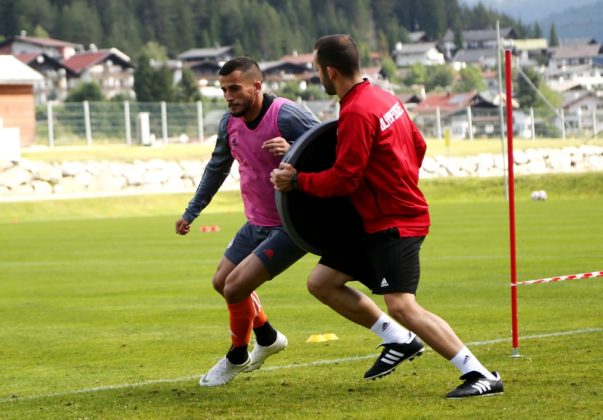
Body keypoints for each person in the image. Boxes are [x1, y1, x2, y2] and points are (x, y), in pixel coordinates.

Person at [271, 34, 504, 399]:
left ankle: (480, 374)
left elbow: (345, 179)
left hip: (394, 223)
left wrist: (297, 181)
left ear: (330, 72)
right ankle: (399, 340)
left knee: (402, 305)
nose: (317, 75)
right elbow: (418, 146)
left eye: (316, 69)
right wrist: (395, 180)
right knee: (322, 282)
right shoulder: (384, 98)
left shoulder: (356, 112)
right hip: (371, 220)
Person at [175, 57, 320, 387]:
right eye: (224, 90)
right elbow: (216, 168)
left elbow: (333, 149)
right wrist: (191, 212)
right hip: (256, 222)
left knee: (235, 287)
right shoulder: (229, 123)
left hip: (291, 224)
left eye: (235, 89)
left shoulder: (286, 114)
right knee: (221, 282)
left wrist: (293, 148)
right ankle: (267, 337)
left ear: (257, 86)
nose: (228, 97)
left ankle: (237, 356)